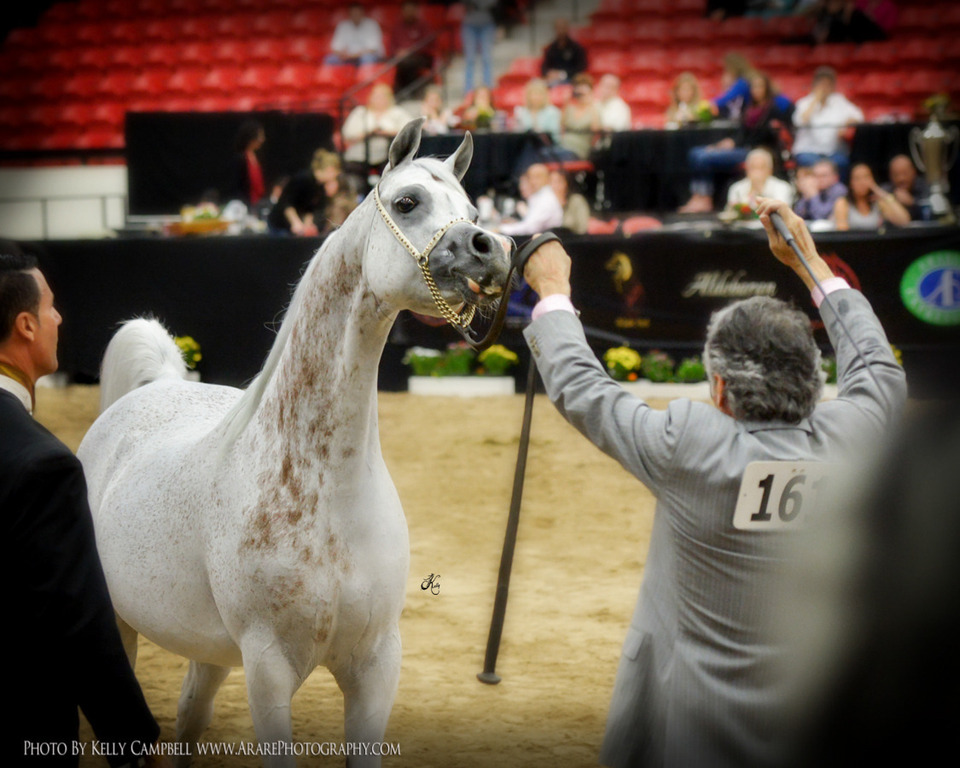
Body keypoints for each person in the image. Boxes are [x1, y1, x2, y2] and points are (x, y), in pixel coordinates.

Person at [516, 197, 907, 768]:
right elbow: (874, 365)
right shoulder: (856, 436)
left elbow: (583, 389)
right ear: (813, 383)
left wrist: (552, 286)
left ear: (720, 391)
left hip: (685, 734)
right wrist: (810, 262)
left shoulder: (691, 445)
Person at [1, 244, 169, 768]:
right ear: (26, 326)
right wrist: (133, 743)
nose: (59, 318)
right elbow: (78, 621)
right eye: (50, 307)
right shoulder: (43, 466)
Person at [680, 71, 794, 213]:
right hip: (741, 147)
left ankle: (705, 198)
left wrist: (738, 143)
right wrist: (729, 142)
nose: (756, 90)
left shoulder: (773, 109)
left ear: (766, 88)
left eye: (759, 86)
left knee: (704, 158)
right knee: (696, 153)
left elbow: (765, 136)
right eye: (753, 87)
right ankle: (697, 195)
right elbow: (741, 133)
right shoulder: (748, 107)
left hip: (754, 149)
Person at [791, 66, 863, 174]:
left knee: (842, 162)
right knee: (811, 163)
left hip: (834, 152)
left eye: (828, 84)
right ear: (815, 85)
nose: (825, 87)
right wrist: (816, 100)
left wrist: (847, 123)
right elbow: (798, 121)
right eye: (822, 84)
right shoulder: (805, 102)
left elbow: (859, 116)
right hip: (808, 151)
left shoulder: (839, 101)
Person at [340, 83, 412, 177]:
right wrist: (368, 133)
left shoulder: (397, 112)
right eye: (376, 96)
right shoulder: (360, 112)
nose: (379, 100)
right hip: (360, 153)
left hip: (388, 156)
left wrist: (387, 132)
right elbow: (347, 134)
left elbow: (410, 130)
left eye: (383, 96)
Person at [267, 148, 341, 236]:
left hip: (293, 227)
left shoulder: (320, 186)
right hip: (279, 224)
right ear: (330, 169)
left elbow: (310, 209)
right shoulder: (303, 179)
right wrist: (295, 222)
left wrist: (307, 226)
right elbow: (287, 203)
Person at [832, 162, 910, 230]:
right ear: (851, 182)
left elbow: (904, 221)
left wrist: (883, 194)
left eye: (866, 177)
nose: (862, 182)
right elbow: (842, 233)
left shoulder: (879, 202)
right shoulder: (843, 203)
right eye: (857, 178)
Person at [497, 162, 564, 236]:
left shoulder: (547, 199)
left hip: (544, 240)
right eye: (531, 177)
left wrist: (501, 229)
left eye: (538, 177)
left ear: (547, 178)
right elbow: (529, 223)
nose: (533, 181)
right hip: (538, 237)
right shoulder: (538, 196)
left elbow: (530, 228)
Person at [388, 0, 435, 98]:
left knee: (408, 63)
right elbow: (392, 46)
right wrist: (398, 52)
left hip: (421, 57)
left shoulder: (423, 25)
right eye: (406, 10)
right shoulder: (397, 26)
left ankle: (408, 93)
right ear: (402, 11)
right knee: (400, 63)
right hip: (401, 59)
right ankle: (402, 93)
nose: (409, 12)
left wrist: (409, 51)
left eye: (411, 9)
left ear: (416, 11)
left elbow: (427, 45)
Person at [725, 146, 796, 211]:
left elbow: (781, 212)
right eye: (753, 167)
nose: (757, 172)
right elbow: (730, 213)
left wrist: (759, 190)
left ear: (770, 170)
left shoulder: (782, 187)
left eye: (761, 167)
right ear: (746, 169)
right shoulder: (736, 188)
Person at [326, 2, 385, 66]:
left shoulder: (372, 24)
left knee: (367, 58)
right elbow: (335, 47)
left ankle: (366, 73)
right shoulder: (342, 25)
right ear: (349, 14)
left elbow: (373, 49)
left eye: (357, 13)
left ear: (362, 13)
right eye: (353, 13)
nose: (355, 15)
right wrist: (341, 53)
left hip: (366, 57)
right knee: (330, 59)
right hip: (347, 57)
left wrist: (353, 55)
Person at [559, 73, 601, 161]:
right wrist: (566, 102)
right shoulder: (569, 108)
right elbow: (561, 126)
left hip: (580, 149)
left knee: (563, 156)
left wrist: (590, 103)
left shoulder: (595, 109)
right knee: (545, 153)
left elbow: (595, 129)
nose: (580, 94)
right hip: (563, 146)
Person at [226, 119, 266, 211]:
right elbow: (238, 187)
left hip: (258, 205)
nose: (263, 139)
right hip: (246, 206)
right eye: (260, 136)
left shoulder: (257, 157)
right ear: (251, 138)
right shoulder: (241, 159)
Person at [540, 17, 588, 87]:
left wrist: (562, 74)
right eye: (558, 28)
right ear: (555, 29)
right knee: (537, 84)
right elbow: (545, 67)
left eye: (563, 28)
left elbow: (581, 67)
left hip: (571, 79)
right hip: (553, 79)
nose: (561, 31)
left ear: (567, 28)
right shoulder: (551, 48)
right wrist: (549, 73)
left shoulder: (576, 48)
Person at [881, 153, 930, 221]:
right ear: (890, 176)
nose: (901, 179)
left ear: (914, 172)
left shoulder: (924, 186)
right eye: (896, 175)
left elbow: (931, 212)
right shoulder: (886, 190)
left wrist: (912, 202)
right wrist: (893, 201)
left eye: (905, 173)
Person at [461, 0, 497, 93]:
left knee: (486, 58)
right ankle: (468, 91)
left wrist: (476, 4)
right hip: (469, 24)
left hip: (487, 24)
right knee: (470, 59)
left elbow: (492, 2)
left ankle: (488, 90)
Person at [550, 168, 591, 234]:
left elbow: (582, 228)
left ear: (567, 183)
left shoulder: (576, 200)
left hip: (573, 238)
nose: (554, 186)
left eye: (558, 181)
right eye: (551, 182)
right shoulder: (545, 203)